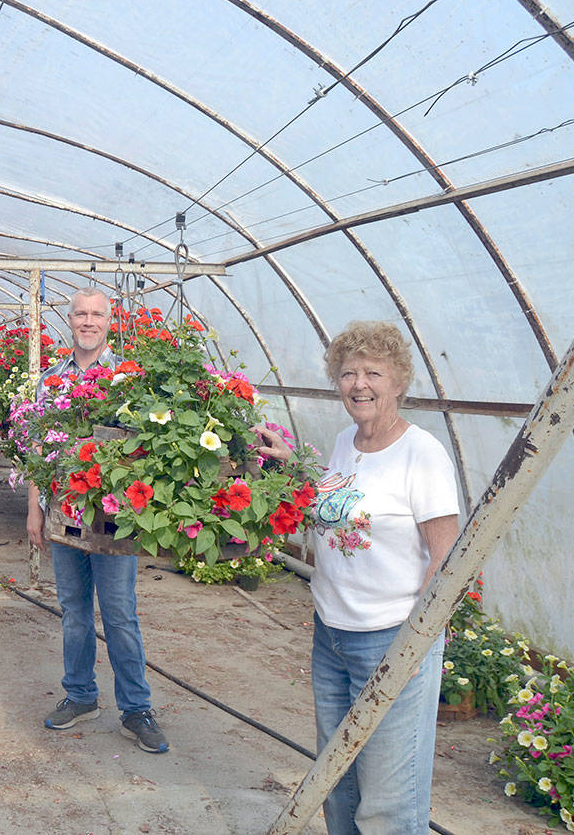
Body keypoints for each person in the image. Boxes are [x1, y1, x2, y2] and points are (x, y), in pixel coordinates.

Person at [254, 320, 460, 834]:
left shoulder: (422, 454)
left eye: (373, 372)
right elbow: (339, 508)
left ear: (398, 382)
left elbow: (447, 555)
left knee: (389, 803)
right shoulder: (347, 441)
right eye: (348, 373)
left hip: (391, 640)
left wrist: (416, 641)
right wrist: (292, 468)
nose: (359, 384)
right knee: (337, 786)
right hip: (332, 638)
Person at [26, 287, 168, 754]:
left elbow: (148, 450)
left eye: (97, 314)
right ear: (68, 320)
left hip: (113, 519)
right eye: (80, 314)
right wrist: (35, 507)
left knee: (120, 613)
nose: (88, 321)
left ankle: (136, 708)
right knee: (73, 611)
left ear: (110, 320)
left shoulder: (128, 379)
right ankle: (81, 695)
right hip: (65, 512)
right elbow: (37, 448)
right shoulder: (50, 379)